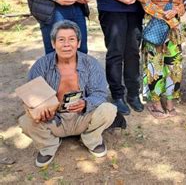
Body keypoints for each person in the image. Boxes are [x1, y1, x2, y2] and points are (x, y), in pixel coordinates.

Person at [19, 20, 117, 168]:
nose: (66, 44)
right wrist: (40, 111)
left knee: (109, 109)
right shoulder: (41, 65)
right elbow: (30, 97)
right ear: (53, 43)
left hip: (82, 117)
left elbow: (100, 93)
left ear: (78, 43)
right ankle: (49, 145)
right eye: (61, 40)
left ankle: (90, 138)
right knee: (26, 121)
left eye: (71, 39)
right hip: (53, 119)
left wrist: (85, 103)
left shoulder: (91, 64)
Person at [139, 0, 185, 119]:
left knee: (174, 66)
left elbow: (183, 4)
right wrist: (164, 16)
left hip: (174, 31)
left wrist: (176, 11)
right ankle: (156, 102)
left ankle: (170, 100)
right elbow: (146, 4)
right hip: (155, 27)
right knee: (154, 66)